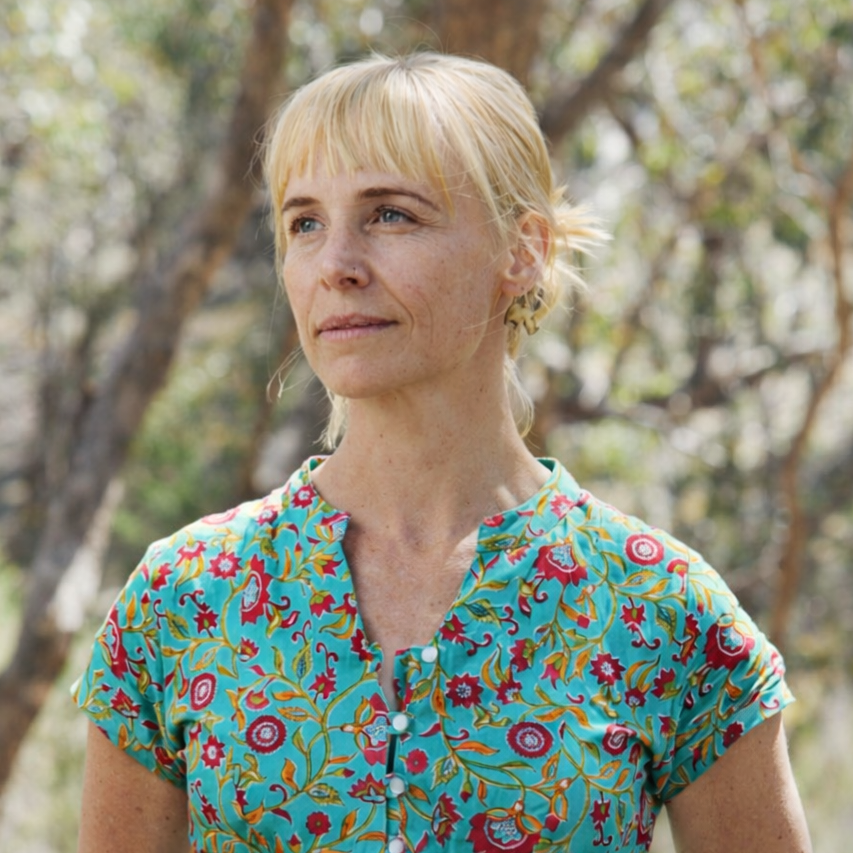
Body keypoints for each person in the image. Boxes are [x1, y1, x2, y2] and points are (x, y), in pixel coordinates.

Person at [73, 52, 812, 853]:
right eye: (304, 223)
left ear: (520, 249)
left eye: (391, 214)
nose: (336, 266)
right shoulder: (183, 599)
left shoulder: (661, 608)